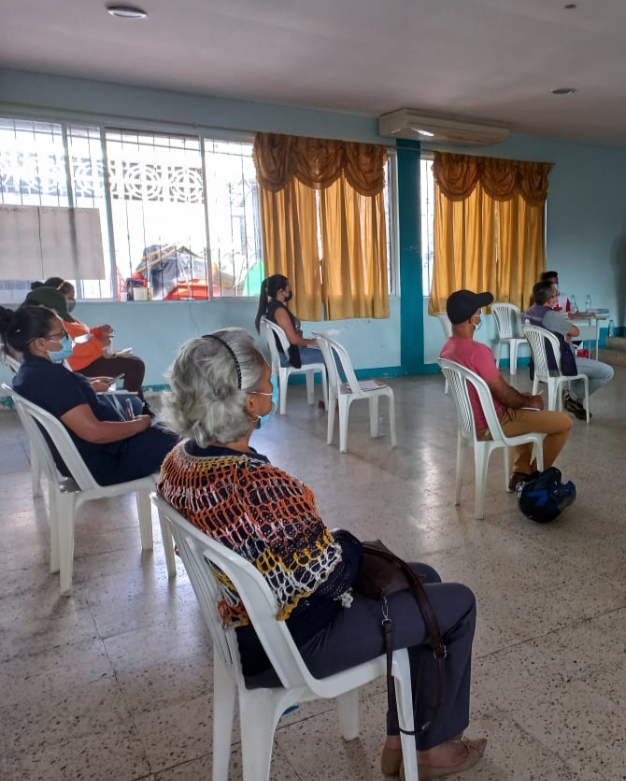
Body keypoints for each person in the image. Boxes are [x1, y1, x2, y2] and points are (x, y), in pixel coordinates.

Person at [156, 329, 486, 780]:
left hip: (244, 629)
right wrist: (348, 542)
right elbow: (330, 575)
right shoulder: (257, 484)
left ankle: (403, 740)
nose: (271, 391)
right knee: (458, 603)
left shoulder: (180, 461)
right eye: (267, 385)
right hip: (294, 642)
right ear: (249, 403)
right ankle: (431, 748)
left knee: (421, 575)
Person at [1, 305, 176, 486]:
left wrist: (88, 386)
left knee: (172, 424)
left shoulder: (30, 373)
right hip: (110, 462)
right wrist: (138, 425)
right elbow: (94, 432)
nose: (68, 339)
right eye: (62, 334)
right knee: (183, 429)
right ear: (40, 343)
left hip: (95, 456)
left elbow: (64, 398)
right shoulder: (52, 379)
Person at [439, 289, 573, 491]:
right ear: (471, 319)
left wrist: (522, 400)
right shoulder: (479, 352)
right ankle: (535, 477)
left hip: (473, 423)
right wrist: (530, 401)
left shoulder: (447, 348)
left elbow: (499, 391)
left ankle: (520, 471)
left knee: (525, 408)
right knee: (564, 423)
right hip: (495, 423)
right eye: (478, 312)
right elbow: (505, 396)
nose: (480, 316)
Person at [28, 279, 149, 400]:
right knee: (136, 365)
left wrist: (97, 331)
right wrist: (101, 343)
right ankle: (136, 403)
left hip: (90, 359)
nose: (72, 301)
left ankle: (136, 402)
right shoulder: (56, 323)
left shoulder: (66, 317)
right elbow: (73, 349)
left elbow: (82, 336)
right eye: (70, 297)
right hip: (82, 366)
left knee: (135, 362)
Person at [524, 281, 615, 421]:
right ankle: (572, 397)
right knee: (607, 372)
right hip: (559, 363)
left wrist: (561, 333)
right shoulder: (551, 316)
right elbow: (576, 331)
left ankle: (573, 398)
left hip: (540, 364)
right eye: (556, 294)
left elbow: (546, 331)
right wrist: (565, 332)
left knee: (581, 370)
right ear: (549, 299)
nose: (557, 297)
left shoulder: (530, 312)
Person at [254, 274, 342, 379]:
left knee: (328, 349)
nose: (290, 289)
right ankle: (339, 387)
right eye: (288, 287)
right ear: (281, 291)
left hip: (286, 353)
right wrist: (313, 341)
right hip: (291, 356)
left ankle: (335, 386)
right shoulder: (279, 311)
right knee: (333, 353)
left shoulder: (272, 307)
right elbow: (294, 340)